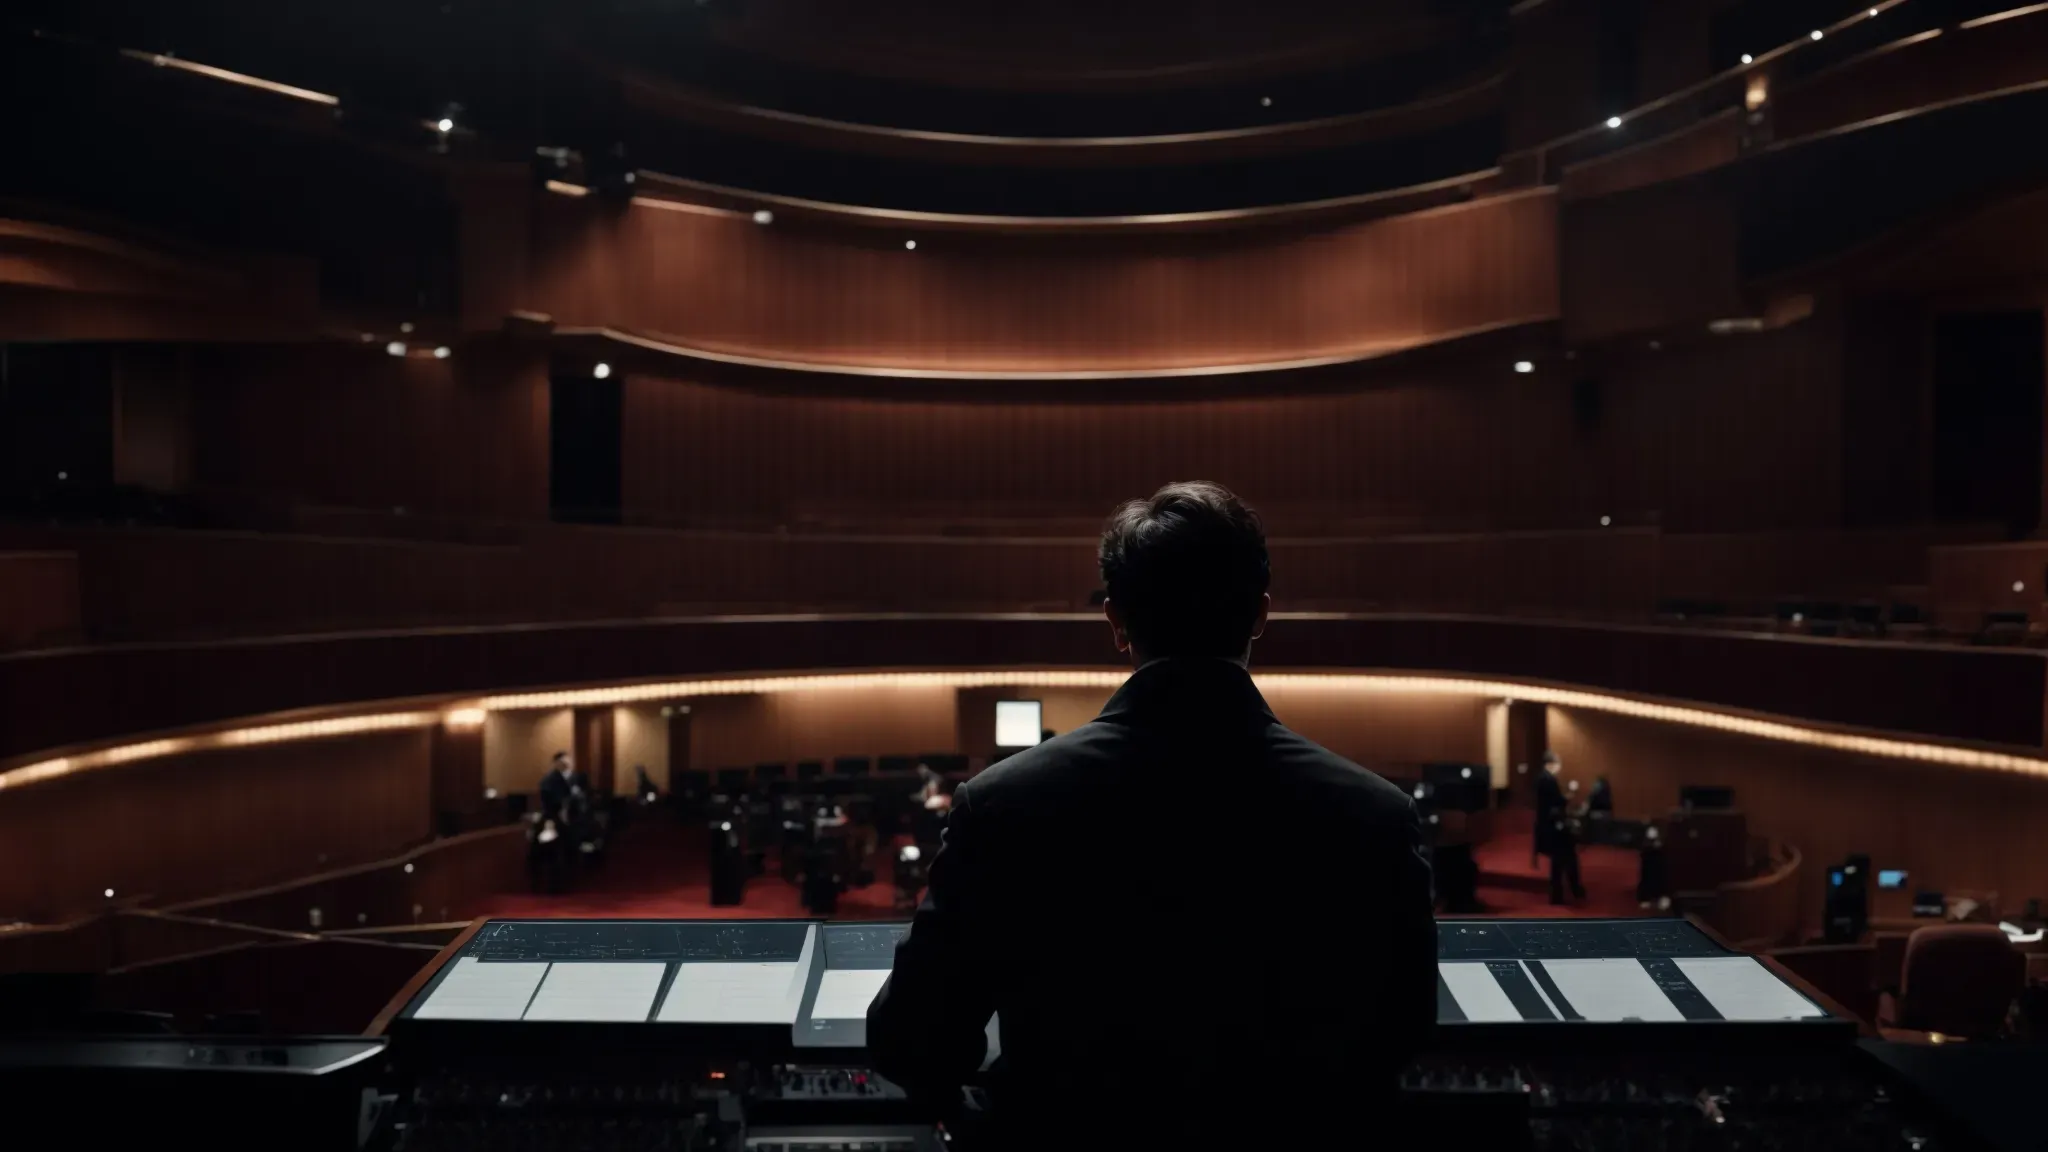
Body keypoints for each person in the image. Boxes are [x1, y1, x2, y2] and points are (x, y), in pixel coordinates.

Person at [869, 482, 1437, 1149]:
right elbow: (1402, 1031)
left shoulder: (1001, 805)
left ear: (1115, 620)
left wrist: (983, 1113)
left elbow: (913, 1036)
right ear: (1259, 614)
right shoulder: (1374, 815)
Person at [1535, 751, 1585, 905]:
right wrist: (1570, 794)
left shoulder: (1540, 778)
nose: (1559, 768)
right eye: (1558, 764)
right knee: (1564, 859)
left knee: (1559, 861)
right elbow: (1558, 802)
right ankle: (1570, 891)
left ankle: (1561, 893)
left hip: (1547, 825)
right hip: (1554, 826)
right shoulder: (1549, 780)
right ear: (1551, 764)